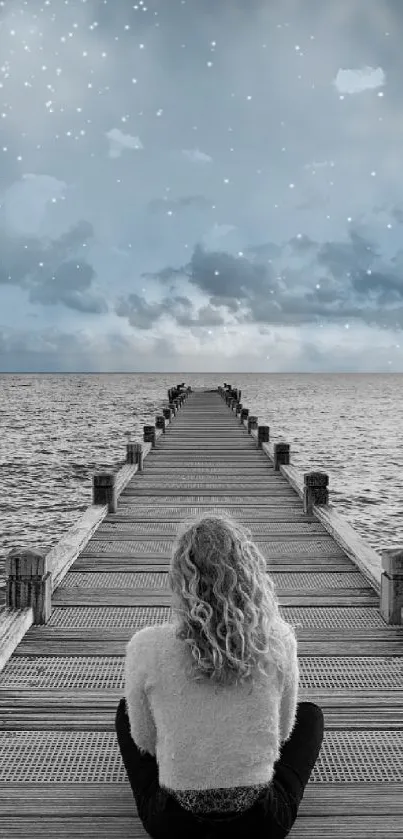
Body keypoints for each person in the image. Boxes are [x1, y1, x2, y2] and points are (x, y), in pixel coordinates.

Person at [115, 512, 324, 838]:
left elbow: (145, 742)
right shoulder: (279, 639)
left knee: (124, 712)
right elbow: (281, 735)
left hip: (173, 825)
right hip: (263, 824)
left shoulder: (147, 645)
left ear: (180, 579)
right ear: (250, 574)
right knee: (310, 717)